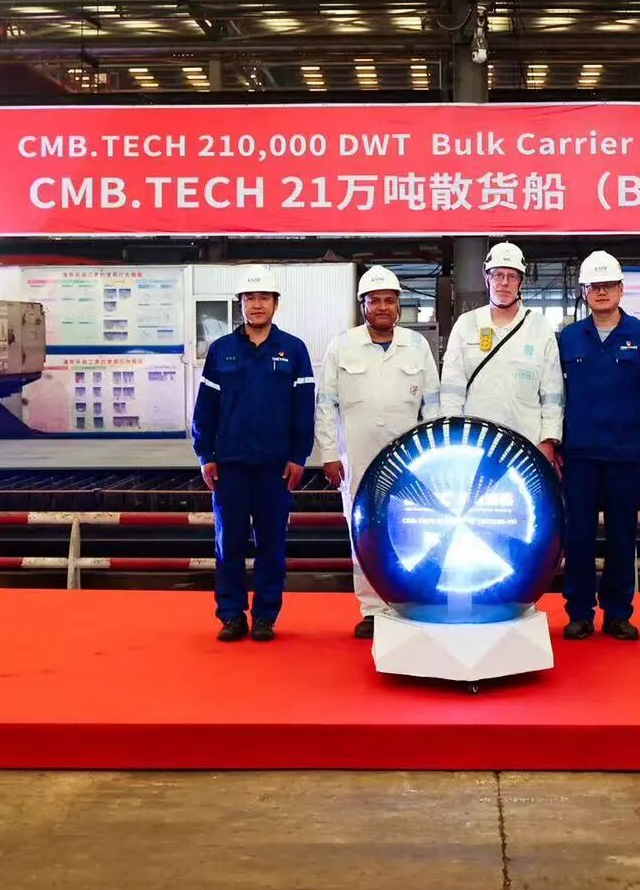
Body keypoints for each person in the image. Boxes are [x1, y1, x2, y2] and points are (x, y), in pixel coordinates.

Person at [191, 265, 316, 642]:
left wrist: (299, 456)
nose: (257, 305)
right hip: (230, 466)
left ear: (276, 303)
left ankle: (264, 616)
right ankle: (231, 615)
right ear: (240, 304)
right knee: (228, 544)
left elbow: (304, 408)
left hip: (275, 468)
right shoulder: (221, 351)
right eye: (249, 298)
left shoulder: (294, 350)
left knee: (271, 546)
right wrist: (205, 454)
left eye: (264, 298)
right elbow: (205, 408)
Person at [316, 265, 442, 639]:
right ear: (363, 306)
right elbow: (325, 404)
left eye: (389, 300)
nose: (383, 307)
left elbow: (433, 404)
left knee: (410, 530)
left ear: (399, 305)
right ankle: (372, 609)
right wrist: (329, 453)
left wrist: (433, 455)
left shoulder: (416, 346)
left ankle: (407, 601)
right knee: (363, 532)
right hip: (357, 457)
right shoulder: (341, 346)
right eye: (375, 301)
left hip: (410, 461)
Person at [555, 250, 640, 641]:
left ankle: (618, 613)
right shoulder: (568, 338)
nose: (601, 292)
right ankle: (579, 612)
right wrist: (557, 445)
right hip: (579, 457)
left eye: (607, 285)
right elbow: (555, 397)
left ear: (620, 289)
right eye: (593, 286)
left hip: (626, 456)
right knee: (578, 537)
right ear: (584, 292)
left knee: (622, 536)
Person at [439, 241, 563, 462]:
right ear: (487, 278)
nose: (504, 282)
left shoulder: (539, 326)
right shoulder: (466, 324)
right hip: (475, 444)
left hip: (527, 444)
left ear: (520, 281)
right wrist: (453, 438)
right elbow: (451, 391)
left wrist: (548, 440)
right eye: (498, 274)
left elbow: (552, 393)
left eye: (512, 276)